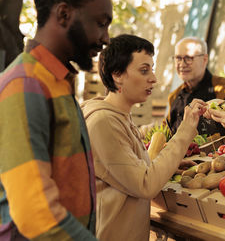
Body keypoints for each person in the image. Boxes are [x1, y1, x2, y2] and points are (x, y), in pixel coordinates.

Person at [0, 0, 112, 240]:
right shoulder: (27, 84)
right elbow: (35, 213)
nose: (106, 38)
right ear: (64, 14)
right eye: (100, 23)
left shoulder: (57, 82)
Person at [80, 34, 205, 241]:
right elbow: (145, 184)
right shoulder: (104, 122)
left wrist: (170, 162)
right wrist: (185, 130)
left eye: (152, 69)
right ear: (117, 74)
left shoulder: (119, 116)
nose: (153, 78)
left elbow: (129, 171)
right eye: (144, 70)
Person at [167, 36, 225, 135]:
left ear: (204, 59)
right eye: (178, 58)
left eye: (188, 58)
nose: (182, 64)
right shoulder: (173, 97)